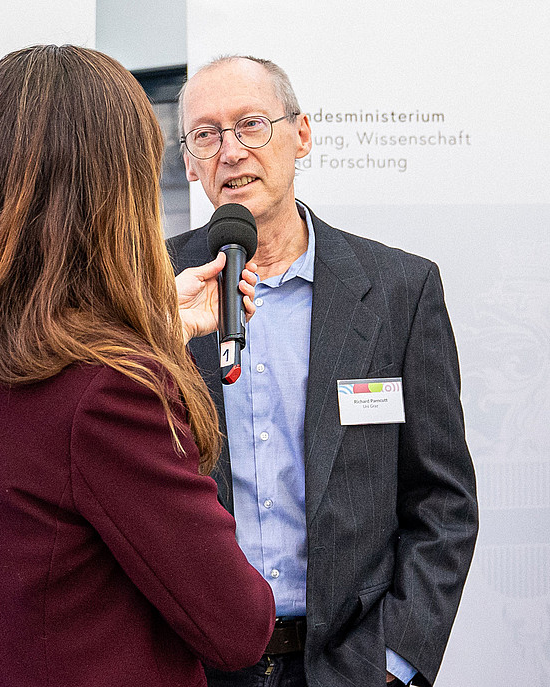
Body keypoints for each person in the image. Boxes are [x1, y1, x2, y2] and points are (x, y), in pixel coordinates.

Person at [0, 45, 275, 687]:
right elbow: (237, 627)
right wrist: (143, 363)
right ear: (112, 192)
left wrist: (151, 335)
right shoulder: (111, 392)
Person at [167, 56, 478, 687]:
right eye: (206, 134)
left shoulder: (398, 291)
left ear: (301, 135)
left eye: (251, 125)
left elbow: (442, 500)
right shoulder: (144, 289)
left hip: (348, 666)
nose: (231, 151)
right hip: (192, 667)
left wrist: (395, 665)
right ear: (191, 162)